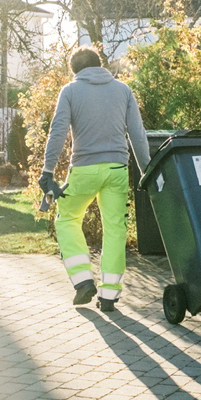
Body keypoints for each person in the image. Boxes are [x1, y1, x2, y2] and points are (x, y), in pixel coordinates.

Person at [39, 47, 149, 313]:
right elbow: (137, 134)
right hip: (116, 170)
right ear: (100, 65)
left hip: (85, 170)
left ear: (75, 71)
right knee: (115, 230)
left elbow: (58, 132)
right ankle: (109, 296)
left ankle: (83, 281)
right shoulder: (123, 90)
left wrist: (48, 170)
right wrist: (146, 171)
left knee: (66, 219)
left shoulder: (71, 91)